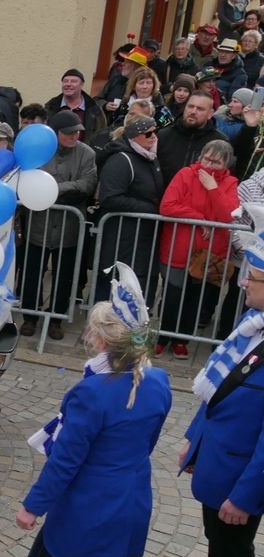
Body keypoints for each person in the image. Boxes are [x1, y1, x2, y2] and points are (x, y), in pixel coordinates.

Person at [18, 264, 172, 557]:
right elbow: (149, 441)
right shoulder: (159, 384)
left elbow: (66, 461)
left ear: (101, 339)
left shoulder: (91, 393)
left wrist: (33, 506)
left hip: (86, 509)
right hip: (127, 503)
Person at [154, 231, 264, 557]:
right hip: (218, 466)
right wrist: (194, 440)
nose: (242, 284)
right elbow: (217, 394)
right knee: (218, 555)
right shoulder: (251, 329)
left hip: (240, 485)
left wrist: (246, 497)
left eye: (252, 278)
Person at [155, 139, 239, 360]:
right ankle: (162, 337)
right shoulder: (185, 174)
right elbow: (168, 206)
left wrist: (213, 189)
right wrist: (199, 218)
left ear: (226, 164)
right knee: (172, 295)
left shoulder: (230, 183)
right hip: (178, 248)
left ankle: (182, 340)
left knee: (195, 299)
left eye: (216, 162)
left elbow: (228, 216)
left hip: (209, 255)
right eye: (206, 159)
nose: (209, 165)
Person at [19, 110, 98, 340]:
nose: (75, 136)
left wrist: (53, 190)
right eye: (69, 133)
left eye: (77, 133)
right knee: (32, 273)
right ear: (56, 133)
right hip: (37, 224)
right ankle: (29, 316)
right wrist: (56, 190)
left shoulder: (87, 154)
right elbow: (29, 180)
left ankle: (56, 319)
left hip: (69, 226)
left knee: (64, 276)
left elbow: (87, 184)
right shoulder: (40, 150)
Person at [94, 114, 165, 304]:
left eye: (155, 131)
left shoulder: (149, 157)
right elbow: (110, 197)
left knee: (136, 284)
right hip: (120, 236)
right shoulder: (120, 160)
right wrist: (149, 209)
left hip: (142, 236)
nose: (154, 137)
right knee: (113, 284)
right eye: (148, 133)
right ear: (134, 137)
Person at [158, 90, 227, 184]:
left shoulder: (220, 142)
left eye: (200, 109)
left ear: (210, 114)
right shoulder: (163, 135)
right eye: (190, 106)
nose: (193, 111)